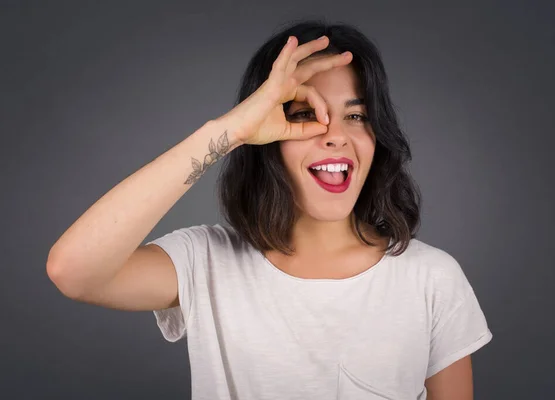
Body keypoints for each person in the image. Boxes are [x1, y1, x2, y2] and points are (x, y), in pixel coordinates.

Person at [47, 19, 493, 400]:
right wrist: (230, 130)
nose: (335, 134)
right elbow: (73, 270)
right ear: (266, 136)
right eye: (303, 114)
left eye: (356, 116)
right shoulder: (206, 261)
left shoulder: (432, 278)